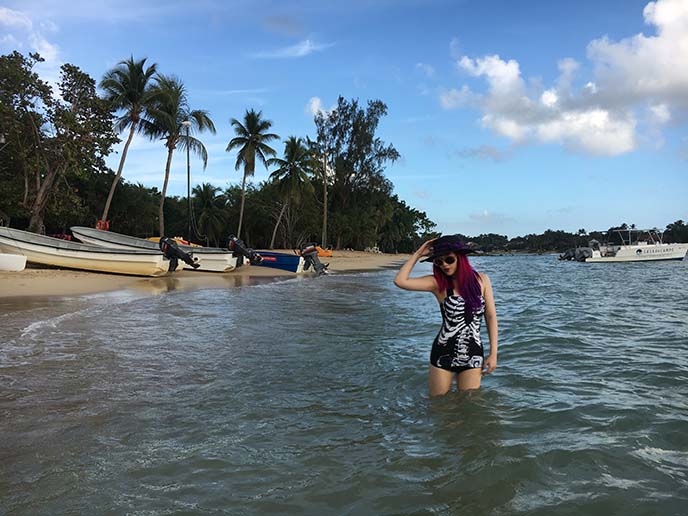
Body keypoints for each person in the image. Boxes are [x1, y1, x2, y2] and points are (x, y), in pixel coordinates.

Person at [394, 235, 498, 396]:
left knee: (468, 407)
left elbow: (490, 317)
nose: (444, 265)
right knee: (438, 406)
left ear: (460, 258)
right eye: (439, 261)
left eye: (449, 259)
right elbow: (400, 281)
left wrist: (493, 354)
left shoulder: (482, 280)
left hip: (473, 353)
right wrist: (418, 254)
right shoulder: (437, 284)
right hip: (442, 353)